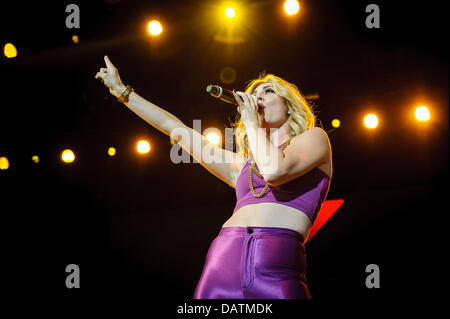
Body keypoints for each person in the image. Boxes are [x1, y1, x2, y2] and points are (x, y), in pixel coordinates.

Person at [95, 56, 332, 299]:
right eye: (254, 93)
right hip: (224, 262)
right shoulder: (242, 167)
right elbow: (176, 128)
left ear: (289, 105)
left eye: (268, 91)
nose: (257, 97)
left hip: (276, 264)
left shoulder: (315, 138)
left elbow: (274, 171)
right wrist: (123, 92)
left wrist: (252, 122)